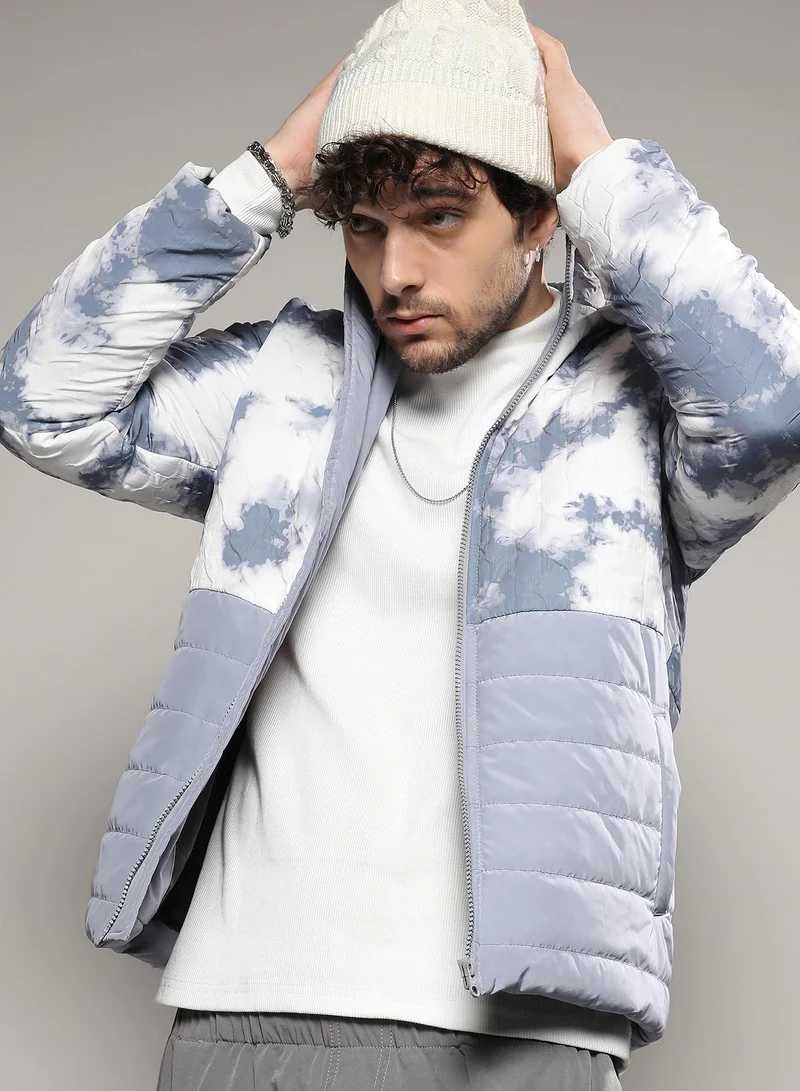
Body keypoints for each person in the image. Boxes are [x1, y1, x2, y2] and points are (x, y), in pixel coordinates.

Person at [2, 1, 799, 1088]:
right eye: (365, 225)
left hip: (524, 1034)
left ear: (538, 214)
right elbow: (43, 402)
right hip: (253, 1009)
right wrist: (273, 172)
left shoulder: (630, 410)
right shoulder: (285, 387)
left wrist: (600, 168)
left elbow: (773, 409)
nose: (396, 271)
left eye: (440, 216)